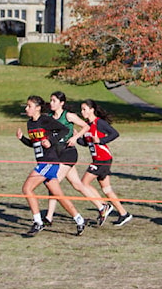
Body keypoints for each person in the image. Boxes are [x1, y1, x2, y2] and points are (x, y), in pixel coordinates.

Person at [16, 95, 87, 236]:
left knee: (27, 188)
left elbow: (64, 130)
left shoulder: (46, 120)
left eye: (29, 106)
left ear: (38, 108)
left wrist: (51, 141)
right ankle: (79, 219)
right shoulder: (30, 123)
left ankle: (38, 222)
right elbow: (34, 143)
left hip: (49, 161)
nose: (26, 108)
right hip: (42, 161)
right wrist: (22, 138)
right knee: (58, 195)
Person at [44, 91, 111, 227]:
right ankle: (102, 206)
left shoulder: (68, 115)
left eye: (54, 101)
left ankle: (48, 218)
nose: (51, 103)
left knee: (53, 182)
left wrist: (75, 137)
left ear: (61, 103)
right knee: (77, 185)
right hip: (57, 154)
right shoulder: (49, 117)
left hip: (68, 154)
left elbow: (86, 126)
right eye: (50, 100)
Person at [77, 99, 133, 226]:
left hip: (103, 159)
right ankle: (124, 214)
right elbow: (87, 143)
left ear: (92, 110)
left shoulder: (99, 123)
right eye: (81, 109)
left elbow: (115, 134)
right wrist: (77, 138)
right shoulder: (87, 125)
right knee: (107, 189)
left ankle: (103, 206)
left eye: (84, 109)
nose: (82, 112)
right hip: (97, 159)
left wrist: (101, 140)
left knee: (84, 183)